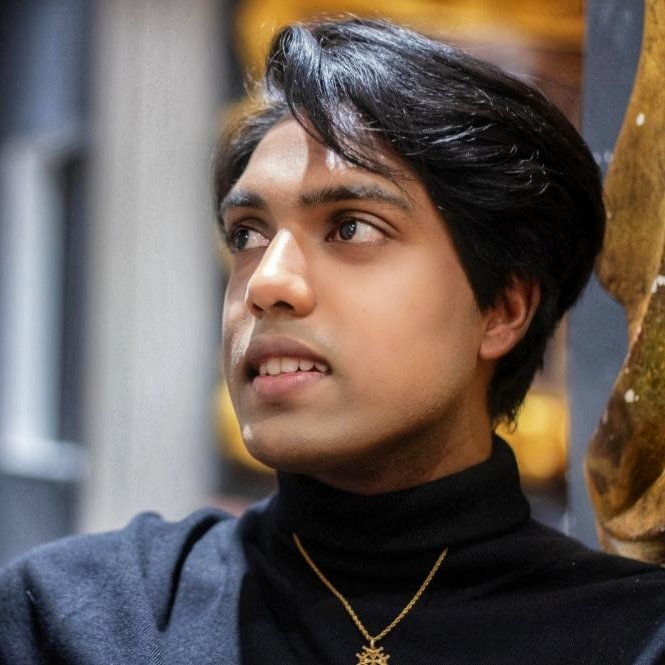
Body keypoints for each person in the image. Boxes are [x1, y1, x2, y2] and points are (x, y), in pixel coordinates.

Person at [1, 16, 665, 665]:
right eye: (246, 234)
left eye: (351, 228)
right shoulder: (80, 617)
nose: (268, 282)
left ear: (501, 309)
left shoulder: (630, 635)